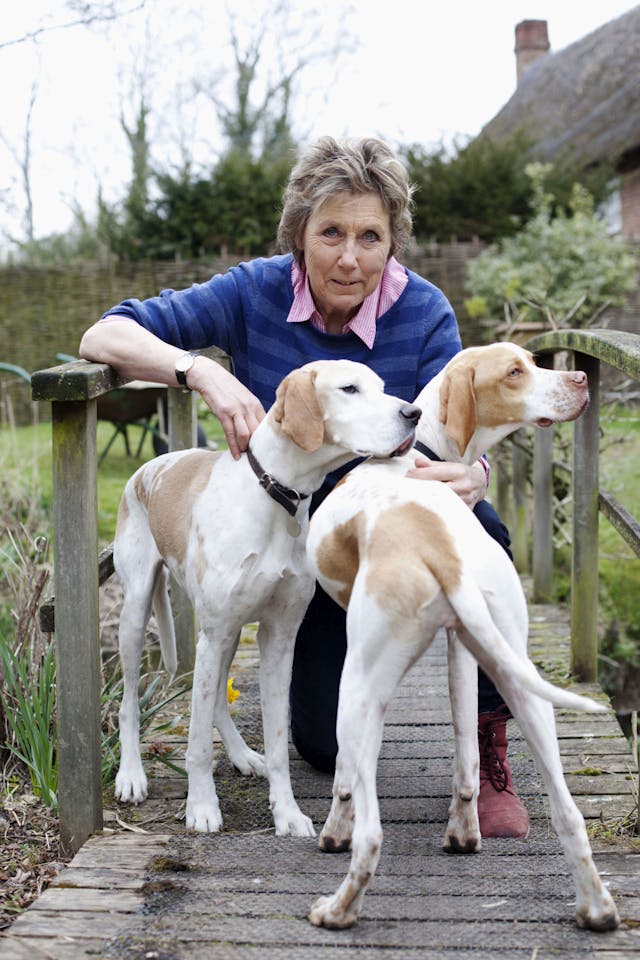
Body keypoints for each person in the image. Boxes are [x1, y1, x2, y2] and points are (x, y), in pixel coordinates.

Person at [79, 135, 529, 839]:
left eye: (370, 236)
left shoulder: (427, 312)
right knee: (321, 744)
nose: (350, 257)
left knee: (487, 532)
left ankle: (489, 751)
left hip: (386, 527)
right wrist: (200, 371)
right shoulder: (251, 290)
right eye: (331, 234)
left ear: (392, 244)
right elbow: (104, 335)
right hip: (298, 541)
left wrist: (472, 474)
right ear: (299, 235)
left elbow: (459, 426)